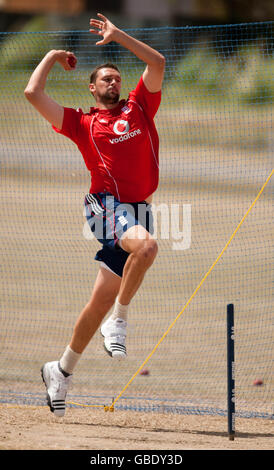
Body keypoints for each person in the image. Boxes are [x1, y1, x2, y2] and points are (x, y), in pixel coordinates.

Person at [24, 13, 165, 417]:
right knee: (149, 247)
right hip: (105, 206)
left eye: (117, 78)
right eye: (105, 78)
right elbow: (33, 94)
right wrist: (52, 54)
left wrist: (118, 36)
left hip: (138, 211)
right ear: (91, 86)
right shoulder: (82, 123)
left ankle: (60, 370)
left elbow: (156, 63)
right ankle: (119, 322)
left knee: (100, 299)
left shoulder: (140, 106)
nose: (113, 82)